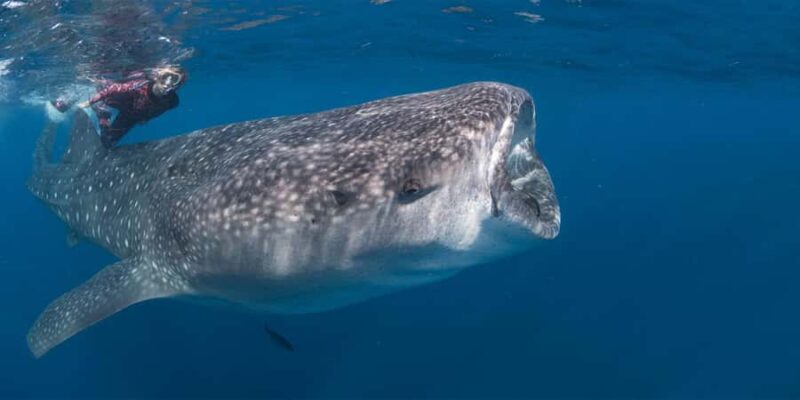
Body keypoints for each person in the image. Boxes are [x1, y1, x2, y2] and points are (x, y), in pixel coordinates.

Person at [52, 66, 187, 148]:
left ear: (179, 86)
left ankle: (102, 114)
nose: (167, 84)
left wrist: (146, 118)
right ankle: (73, 101)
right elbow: (113, 89)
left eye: (174, 81)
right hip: (121, 100)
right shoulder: (141, 85)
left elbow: (160, 110)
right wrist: (89, 102)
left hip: (130, 117)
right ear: (158, 77)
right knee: (100, 85)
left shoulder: (173, 101)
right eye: (166, 78)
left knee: (107, 143)